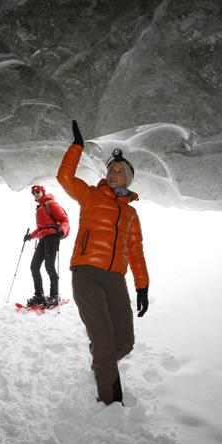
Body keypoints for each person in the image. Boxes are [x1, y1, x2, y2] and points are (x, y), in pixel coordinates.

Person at [57, 120, 149, 405]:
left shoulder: (131, 215)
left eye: (120, 171)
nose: (113, 173)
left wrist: (142, 287)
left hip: (115, 278)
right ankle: (110, 402)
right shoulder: (91, 195)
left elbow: (136, 252)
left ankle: (101, 360)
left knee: (125, 342)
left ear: (128, 179)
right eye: (111, 169)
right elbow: (64, 178)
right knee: (105, 343)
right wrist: (76, 148)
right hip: (85, 272)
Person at [23, 185, 70, 308]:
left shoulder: (51, 205)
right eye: (33, 193)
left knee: (49, 266)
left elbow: (64, 220)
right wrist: (30, 237)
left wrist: (62, 230)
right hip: (43, 238)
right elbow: (40, 228)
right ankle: (39, 296)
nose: (36, 194)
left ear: (43, 192)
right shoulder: (40, 208)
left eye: (38, 192)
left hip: (52, 237)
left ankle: (54, 296)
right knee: (34, 267)